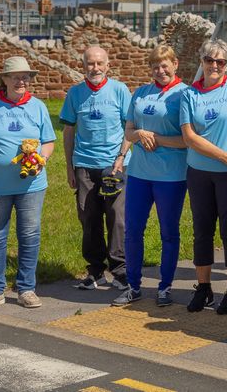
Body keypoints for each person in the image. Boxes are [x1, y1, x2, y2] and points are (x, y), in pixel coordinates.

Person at [0, 57, 56, 310]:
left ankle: (26, 288)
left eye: (25, 77)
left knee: (29, 235)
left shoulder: (38, 106)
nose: (21, 81)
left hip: (32, 185)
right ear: (4, 80)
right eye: (16, 77)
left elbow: (49, 141)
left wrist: (42, 159)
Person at [180, 39, 227, 315]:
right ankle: (203, 287)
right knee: (201, 229)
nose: (214, 65)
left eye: (220, 61)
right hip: (200, 171)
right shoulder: (190, 94)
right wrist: (225, 158)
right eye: (209, 60)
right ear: (201, 61)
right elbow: (189, 136)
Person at [111, 45, 189, 308]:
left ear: (175, 64)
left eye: (165, 65)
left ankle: (165, 287)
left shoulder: (185, 94)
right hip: (140, 174)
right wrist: (139, 135)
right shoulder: (142, 93)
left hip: (171, 176)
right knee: (132, 230)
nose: (160, 70)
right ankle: (133, 286)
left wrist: (157, 138)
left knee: (169, 232)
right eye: (155, 66)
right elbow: (129, 130)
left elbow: (188, 140)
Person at [60, 46, 131, 291]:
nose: (95, 68)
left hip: (114, 165)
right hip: (84, 166)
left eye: (100, 63)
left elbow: (129, 128)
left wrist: (121, 157)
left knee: (117, 218)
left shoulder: (120, 91)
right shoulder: (75, 93)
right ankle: (95, 270)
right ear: (83, 66)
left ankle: (120, 271)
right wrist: (70, 167)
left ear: (108, 65)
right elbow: (69, 131)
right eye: (90, 63)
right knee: (88, 218)